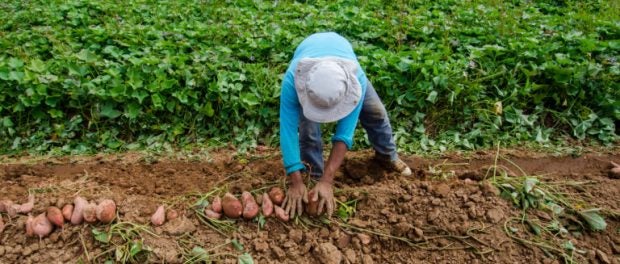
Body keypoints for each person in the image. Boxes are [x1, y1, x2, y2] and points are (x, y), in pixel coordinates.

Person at [279, 32, 412, 218]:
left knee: (377, 113)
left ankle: (387, 155)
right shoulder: (293, 80)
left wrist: (328, 180)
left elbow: (344, 134)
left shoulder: (356, 80)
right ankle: (313, 173)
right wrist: (295, 181)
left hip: (345, 65)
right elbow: (288, 131)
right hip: (309, 66)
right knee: (308, 131)